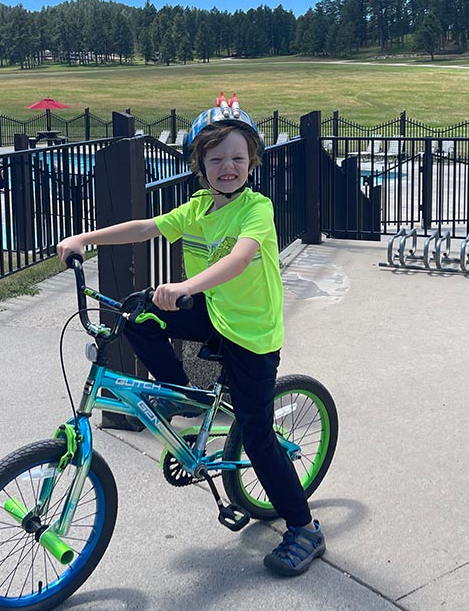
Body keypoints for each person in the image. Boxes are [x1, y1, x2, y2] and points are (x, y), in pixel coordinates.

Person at [56, 96, 325, 576]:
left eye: (238, 159)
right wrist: (86, 239)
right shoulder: (199, 206)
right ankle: (186, 399)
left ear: (251, 163)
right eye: (216, 158)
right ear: (200, 164)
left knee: (258, 437)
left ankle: (304, 529)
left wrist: (185, 287)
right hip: (214, 310)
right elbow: (144, 227)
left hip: (250, 334)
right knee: (138, 316)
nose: (228, 167)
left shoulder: (255, 209)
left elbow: (240, 258)